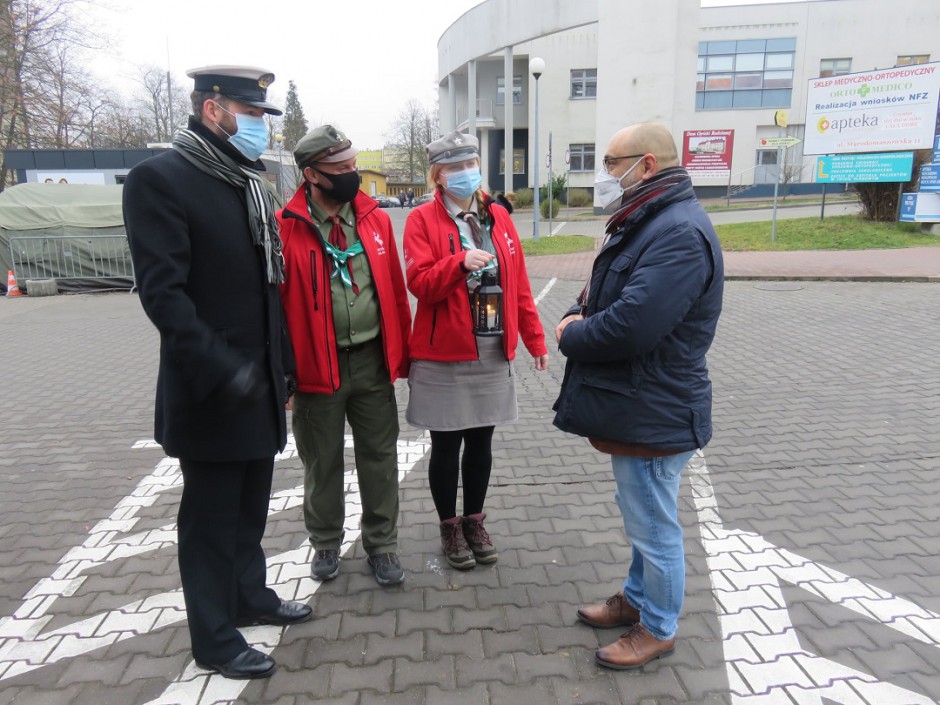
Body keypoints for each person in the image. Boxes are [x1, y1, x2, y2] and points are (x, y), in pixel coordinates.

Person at [122, 65, 311, 680]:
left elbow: (268, 285)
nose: (260, 126)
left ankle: (249, 596)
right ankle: (214, 637)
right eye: (252, 114)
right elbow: (164, 296)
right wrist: (225, 370)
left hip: (257, 381)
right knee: (209, 520)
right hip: (211, 388)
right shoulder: (163, 180)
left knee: (251, 504)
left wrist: (280, 367)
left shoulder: (246, 183)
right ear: (213, 110)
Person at [553, 122, 724, 670]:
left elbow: (632, 325)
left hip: (657, 406)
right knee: (641, 518)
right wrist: (576, 315)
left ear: (647, 164)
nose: (605, 174)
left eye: (611, 162)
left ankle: (658, 627)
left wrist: (571, 334)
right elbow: (610, 295)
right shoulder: (649, 218)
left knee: (652, 524)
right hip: (641, 401)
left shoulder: (676, 231)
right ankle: (636, 598)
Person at [403, 131, 549, 571]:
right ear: (438, 176)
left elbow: (519, 282)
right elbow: (420, 284)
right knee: (446, 444)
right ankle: (449, 525)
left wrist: (534, 337)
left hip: (490, 346)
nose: (466, 173)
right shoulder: (421, 221)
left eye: (471, 164)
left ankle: (475, 519)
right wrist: (456, 263)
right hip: (444, 352)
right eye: (455, 167)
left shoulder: (498, 217)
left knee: (482, 441)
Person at [277, 125, 412, 586]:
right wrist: (283, 374)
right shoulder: (286, 228)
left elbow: (393, 291)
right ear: (312, 175)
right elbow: (275, 307)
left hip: (372, 361)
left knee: (380, 456)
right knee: (322, 461)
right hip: (318, 367)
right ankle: (325, 542)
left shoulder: (373, 218)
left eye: (353, 165)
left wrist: (403, 357)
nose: (353, 175)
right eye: (341, 170)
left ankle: (383, 545)